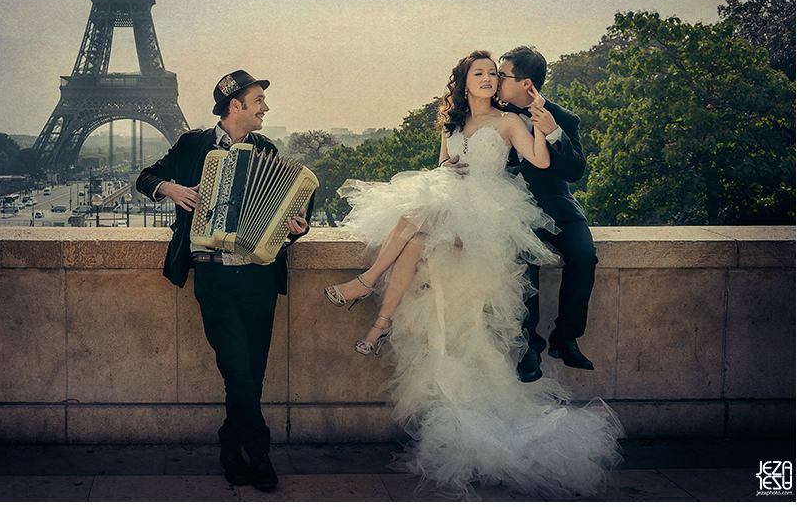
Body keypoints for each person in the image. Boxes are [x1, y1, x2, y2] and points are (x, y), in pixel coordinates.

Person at [325, 51, 622, 498]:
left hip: (494, 213)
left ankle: (366, 282)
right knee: (420, 234)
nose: (490, 80)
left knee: (420, 212)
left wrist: (545, 129)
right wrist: (446, 170)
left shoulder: (512, 120)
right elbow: (442, 168)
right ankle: (380, 322)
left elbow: (544, 164)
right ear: (464, 83)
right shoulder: (452, 125)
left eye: (496, 75)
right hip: (458, 205)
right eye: (481, 74)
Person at [136, 70, 312, 490]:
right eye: (258, 101)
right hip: (212, 275)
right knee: (236, 368)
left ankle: (231, 451)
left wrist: (297, 227)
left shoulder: (267, 150)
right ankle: (261, 456)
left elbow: (287, 209)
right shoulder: (193, 145)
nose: (265, 107)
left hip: (258, 275)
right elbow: (145, 177)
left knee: (253, 371)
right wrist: (172, 189)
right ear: (235, 105)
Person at [493, 46, 597, 383]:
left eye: (502, 75)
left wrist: (553, 132)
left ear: (525, 84)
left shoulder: (563, 118)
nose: (495, 80)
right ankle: (529, 348)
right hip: (510, 209)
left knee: (584, 256)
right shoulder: (492, 113)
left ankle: (565, 338)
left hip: (556, 205)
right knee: (524, 259)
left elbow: (575, 171)